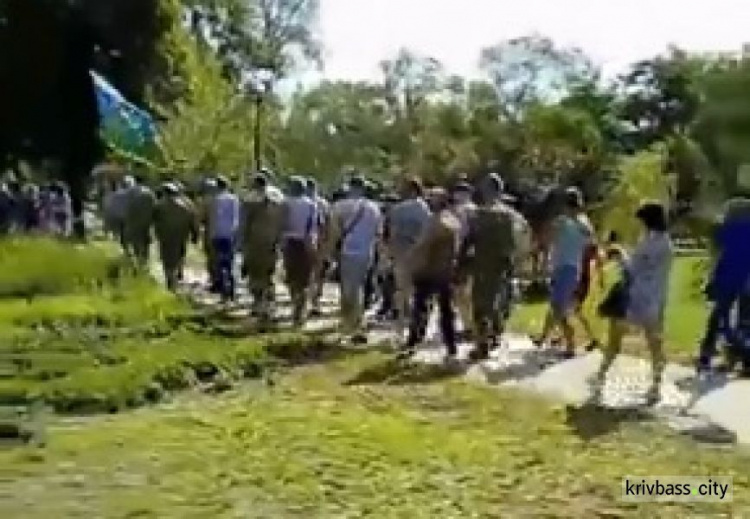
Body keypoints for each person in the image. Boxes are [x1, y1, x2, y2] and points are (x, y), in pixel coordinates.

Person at [590, 202, 673, 405]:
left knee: (614, 341)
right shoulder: (667, 244)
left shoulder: (647, 243)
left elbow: (633, 270)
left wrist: (619, 255)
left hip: (634, 298)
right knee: (655, 344)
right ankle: (656, 386)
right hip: (656, 299)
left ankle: (601, 376)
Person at [460, 174, 528, 361]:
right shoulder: (510, 215)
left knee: (480, 305)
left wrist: (460, 262)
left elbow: (468, 240)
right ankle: (494, 335)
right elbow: (514, 243)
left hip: (482, 263)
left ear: (487, 189)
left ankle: (482, 345)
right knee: (495, 301)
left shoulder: (479, 214)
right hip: (500, 264)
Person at [533, 187, 594, 358]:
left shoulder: (571, 222)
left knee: (558, 308)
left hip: (566, 268)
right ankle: (545, 337)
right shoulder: (577, 222)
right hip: (566, 267)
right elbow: (588, 240)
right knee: (555, 306)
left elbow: (547, 238)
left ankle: (570, 344)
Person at [403, 187, 461, 361]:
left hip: (429, 270)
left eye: (432, 198)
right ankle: (450, 346)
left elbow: (424, 245)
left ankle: (413, 342)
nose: (429, 201)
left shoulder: (436, 221)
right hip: (446, 271)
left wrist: (410, 260)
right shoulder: (453, 220)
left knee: (420, 309)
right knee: (445, 311)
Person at [697, 189, 750, 373]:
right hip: (746, 280)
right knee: (745, 321)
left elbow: (717, 254)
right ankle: (743, 358)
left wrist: (710, 278)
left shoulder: (725, 230)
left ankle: (706, 356)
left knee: (718, 317)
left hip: (727, 277)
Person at [328, 175, 382, 343]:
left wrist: (329, 253)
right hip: (368, 252)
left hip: (348, 251)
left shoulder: (339, 206)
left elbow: (335, 233)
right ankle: (355, 323)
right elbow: (378, 233)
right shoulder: (374, 208)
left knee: (349, 289)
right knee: (360, 286)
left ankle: (351, 324)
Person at [386, 177, 432, 338]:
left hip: (401, 253)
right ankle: (415, 323)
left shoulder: (397, 209)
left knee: (401, 290)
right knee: (415, 292)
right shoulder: (425, 209)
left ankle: (400, 325)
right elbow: (427, 234)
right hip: (419, 254)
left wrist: (389, 253)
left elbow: (392, 233)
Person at [240, 172, 284, 322]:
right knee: (269, 273)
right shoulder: (278, 197)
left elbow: (244, 223)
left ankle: (258, 304)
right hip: (272, 241)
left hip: (254, 240)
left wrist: (241, 242)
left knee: (255, 273)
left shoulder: (249, 199)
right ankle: (269, 305)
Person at [282, 177, 319, 326]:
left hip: (289, 242)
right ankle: (300, 308)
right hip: (306, 242)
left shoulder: (285, 203)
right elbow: (312, 226)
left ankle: (295, 303)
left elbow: (281, 224)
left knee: (291, 276)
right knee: (304, 277)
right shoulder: (311, 205)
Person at [153, 182, 199, 291]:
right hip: (181, 235)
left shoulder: (159, 205)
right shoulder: (185, 206)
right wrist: (195, 234)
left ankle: (170, 280)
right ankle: (177, 274)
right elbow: (193, 220)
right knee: (179, 255)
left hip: (165, 236)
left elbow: (153, 219)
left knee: (166, 258)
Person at [450, 180, 478, 339]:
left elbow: (459, 236)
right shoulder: (476, 209)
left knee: (461, 293)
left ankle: (468, 326)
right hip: (474, 255)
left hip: (462, 255)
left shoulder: (461, 210)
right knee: (468, 292)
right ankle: (470, 325)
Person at [208, 175, 240, 302]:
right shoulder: (234, 199)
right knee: (230, 263)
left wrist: (211, 235)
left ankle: (223, 293)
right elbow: (236, 218)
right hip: (230, 235)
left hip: (217, 234)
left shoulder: (214, 200)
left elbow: (213, 219)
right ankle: (232, 290)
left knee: (219, 263)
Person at [306, 177, 331, 316]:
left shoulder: (305, 202)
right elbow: (328, 224)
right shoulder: (323, 203)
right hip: (320, 241)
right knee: (319, 272)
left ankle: (311, 300)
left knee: (310, 271)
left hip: (310, 241)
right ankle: (315, 300)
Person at [123, 174, 156, 267]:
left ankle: (138, 258)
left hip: (133, 219)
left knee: (135, 240)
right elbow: (154, 206)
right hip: (146, 220)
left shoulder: (130, 191)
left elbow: (126, 206)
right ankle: (145, 260)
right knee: (145, 239)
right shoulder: (149, 192)